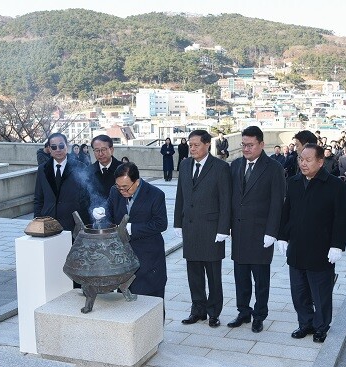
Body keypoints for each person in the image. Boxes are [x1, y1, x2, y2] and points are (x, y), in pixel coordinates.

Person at [277, 143, 346, 343]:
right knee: (299, 292)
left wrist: (337, 245)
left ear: (320, 161)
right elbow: (286, 211)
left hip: (321, 249)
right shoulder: (293, 182)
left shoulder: (335, 185)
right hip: (297, 248)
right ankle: (305, 323)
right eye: (301, 159)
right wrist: (282, 236)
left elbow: (341, 218)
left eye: (308, 160)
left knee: (320, 293)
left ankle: (321, 326)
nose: (303, 163)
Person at [228, 126, 285, 333]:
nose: (246, 148)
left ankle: (259, 315)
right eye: (243, 145)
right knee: (240, 277)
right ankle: (243, 311)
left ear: (261, 144)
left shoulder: (273, 168)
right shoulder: (235, 165)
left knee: (260, 279)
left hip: (261, 234)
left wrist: (272, 232)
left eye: (250, 145)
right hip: (240, 233)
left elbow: (277, 203)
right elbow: (230, 199)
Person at [174, 129, 232, 328]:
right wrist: (177, 223)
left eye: (196, 145)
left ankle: (214, 312)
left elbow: (226, 201)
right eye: (190, 145)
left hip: (212, 229)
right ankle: (197, 310)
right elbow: (180, 195)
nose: (192, 148)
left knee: (214, 276)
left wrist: (224, 229)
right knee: (194, 274)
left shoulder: (220, 167)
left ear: (207, 145)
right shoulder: (184, 164)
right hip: (190, 228)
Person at [104, 162, 167, 298]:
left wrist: (133, 228)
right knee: (125, 304)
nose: (122, 191)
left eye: (126, 187)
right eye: (119, 187)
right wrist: (101, 214)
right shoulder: (115, 192)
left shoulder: (155, 194)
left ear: (136, 181)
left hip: (149, 259)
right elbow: (108, 212)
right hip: (123, 260)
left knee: (150, 305)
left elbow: (161, 223)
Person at [34, 133, 91, 231]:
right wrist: (37, 221)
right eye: (54, 147)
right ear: (49, 149)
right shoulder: (42, 169)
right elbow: (39, 198)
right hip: (49, 224)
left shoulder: (80, 167)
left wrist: (85, 224)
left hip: (73, 225)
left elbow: (86, 198)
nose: (58, 150)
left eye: (61, 146)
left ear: (67, 146)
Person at [87, 135, 122, 204]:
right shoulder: (88, 171)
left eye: (103, 149)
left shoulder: (123, 169)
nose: (100, 154)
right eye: (97, 150)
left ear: (111, 150)